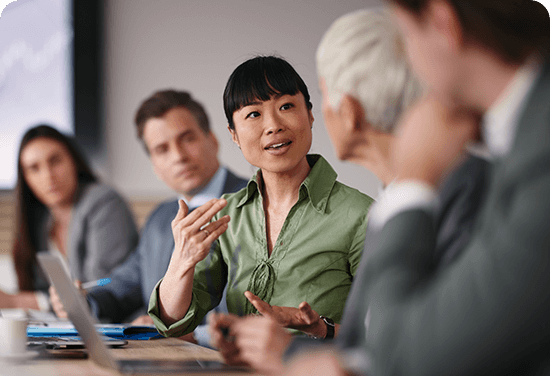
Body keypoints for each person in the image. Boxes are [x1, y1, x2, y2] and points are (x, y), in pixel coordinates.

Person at [283, 0, 550, 376]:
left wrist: (415, 180)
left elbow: (404, 358)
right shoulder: (518, 141)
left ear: (444, 24)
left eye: (406, 36)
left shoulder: (533, 156)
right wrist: (358, 373)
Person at [209, 8, 491, 375]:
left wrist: (291, 354)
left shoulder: (443, 193)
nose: (275, 125)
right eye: (254, 114)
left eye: (315, 99)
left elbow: (428, 354)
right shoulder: (395, 199)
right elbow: (372, 339)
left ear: (349, 112)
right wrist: (319, 332)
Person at [148, 56, 373, 342]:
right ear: (233, 135)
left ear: (310, 114)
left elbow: (390, 333)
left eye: (287, 106)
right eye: (254, 114)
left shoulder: (360, 214)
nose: (274, 125)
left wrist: (322, 329)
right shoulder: (225, 214)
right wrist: (180, 261)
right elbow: (173, 323)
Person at [52, 90, 248, 345]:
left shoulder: (254, 201)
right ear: (155, 165)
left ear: (212, 139)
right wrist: (84, 301)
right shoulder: (159, 218)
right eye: (162, 149)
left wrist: (166, 328)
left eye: (187, 139)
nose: (179, 156)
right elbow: (123, 283)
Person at [0, 125, 138, 311]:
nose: (48, 176)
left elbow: (102, 289)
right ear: (25, 179)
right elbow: (43, 288)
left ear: (73, 160)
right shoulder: (43, 221)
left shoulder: (105, 202)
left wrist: (18, 302)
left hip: (117, 326)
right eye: (34, 168)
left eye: (55, 161)